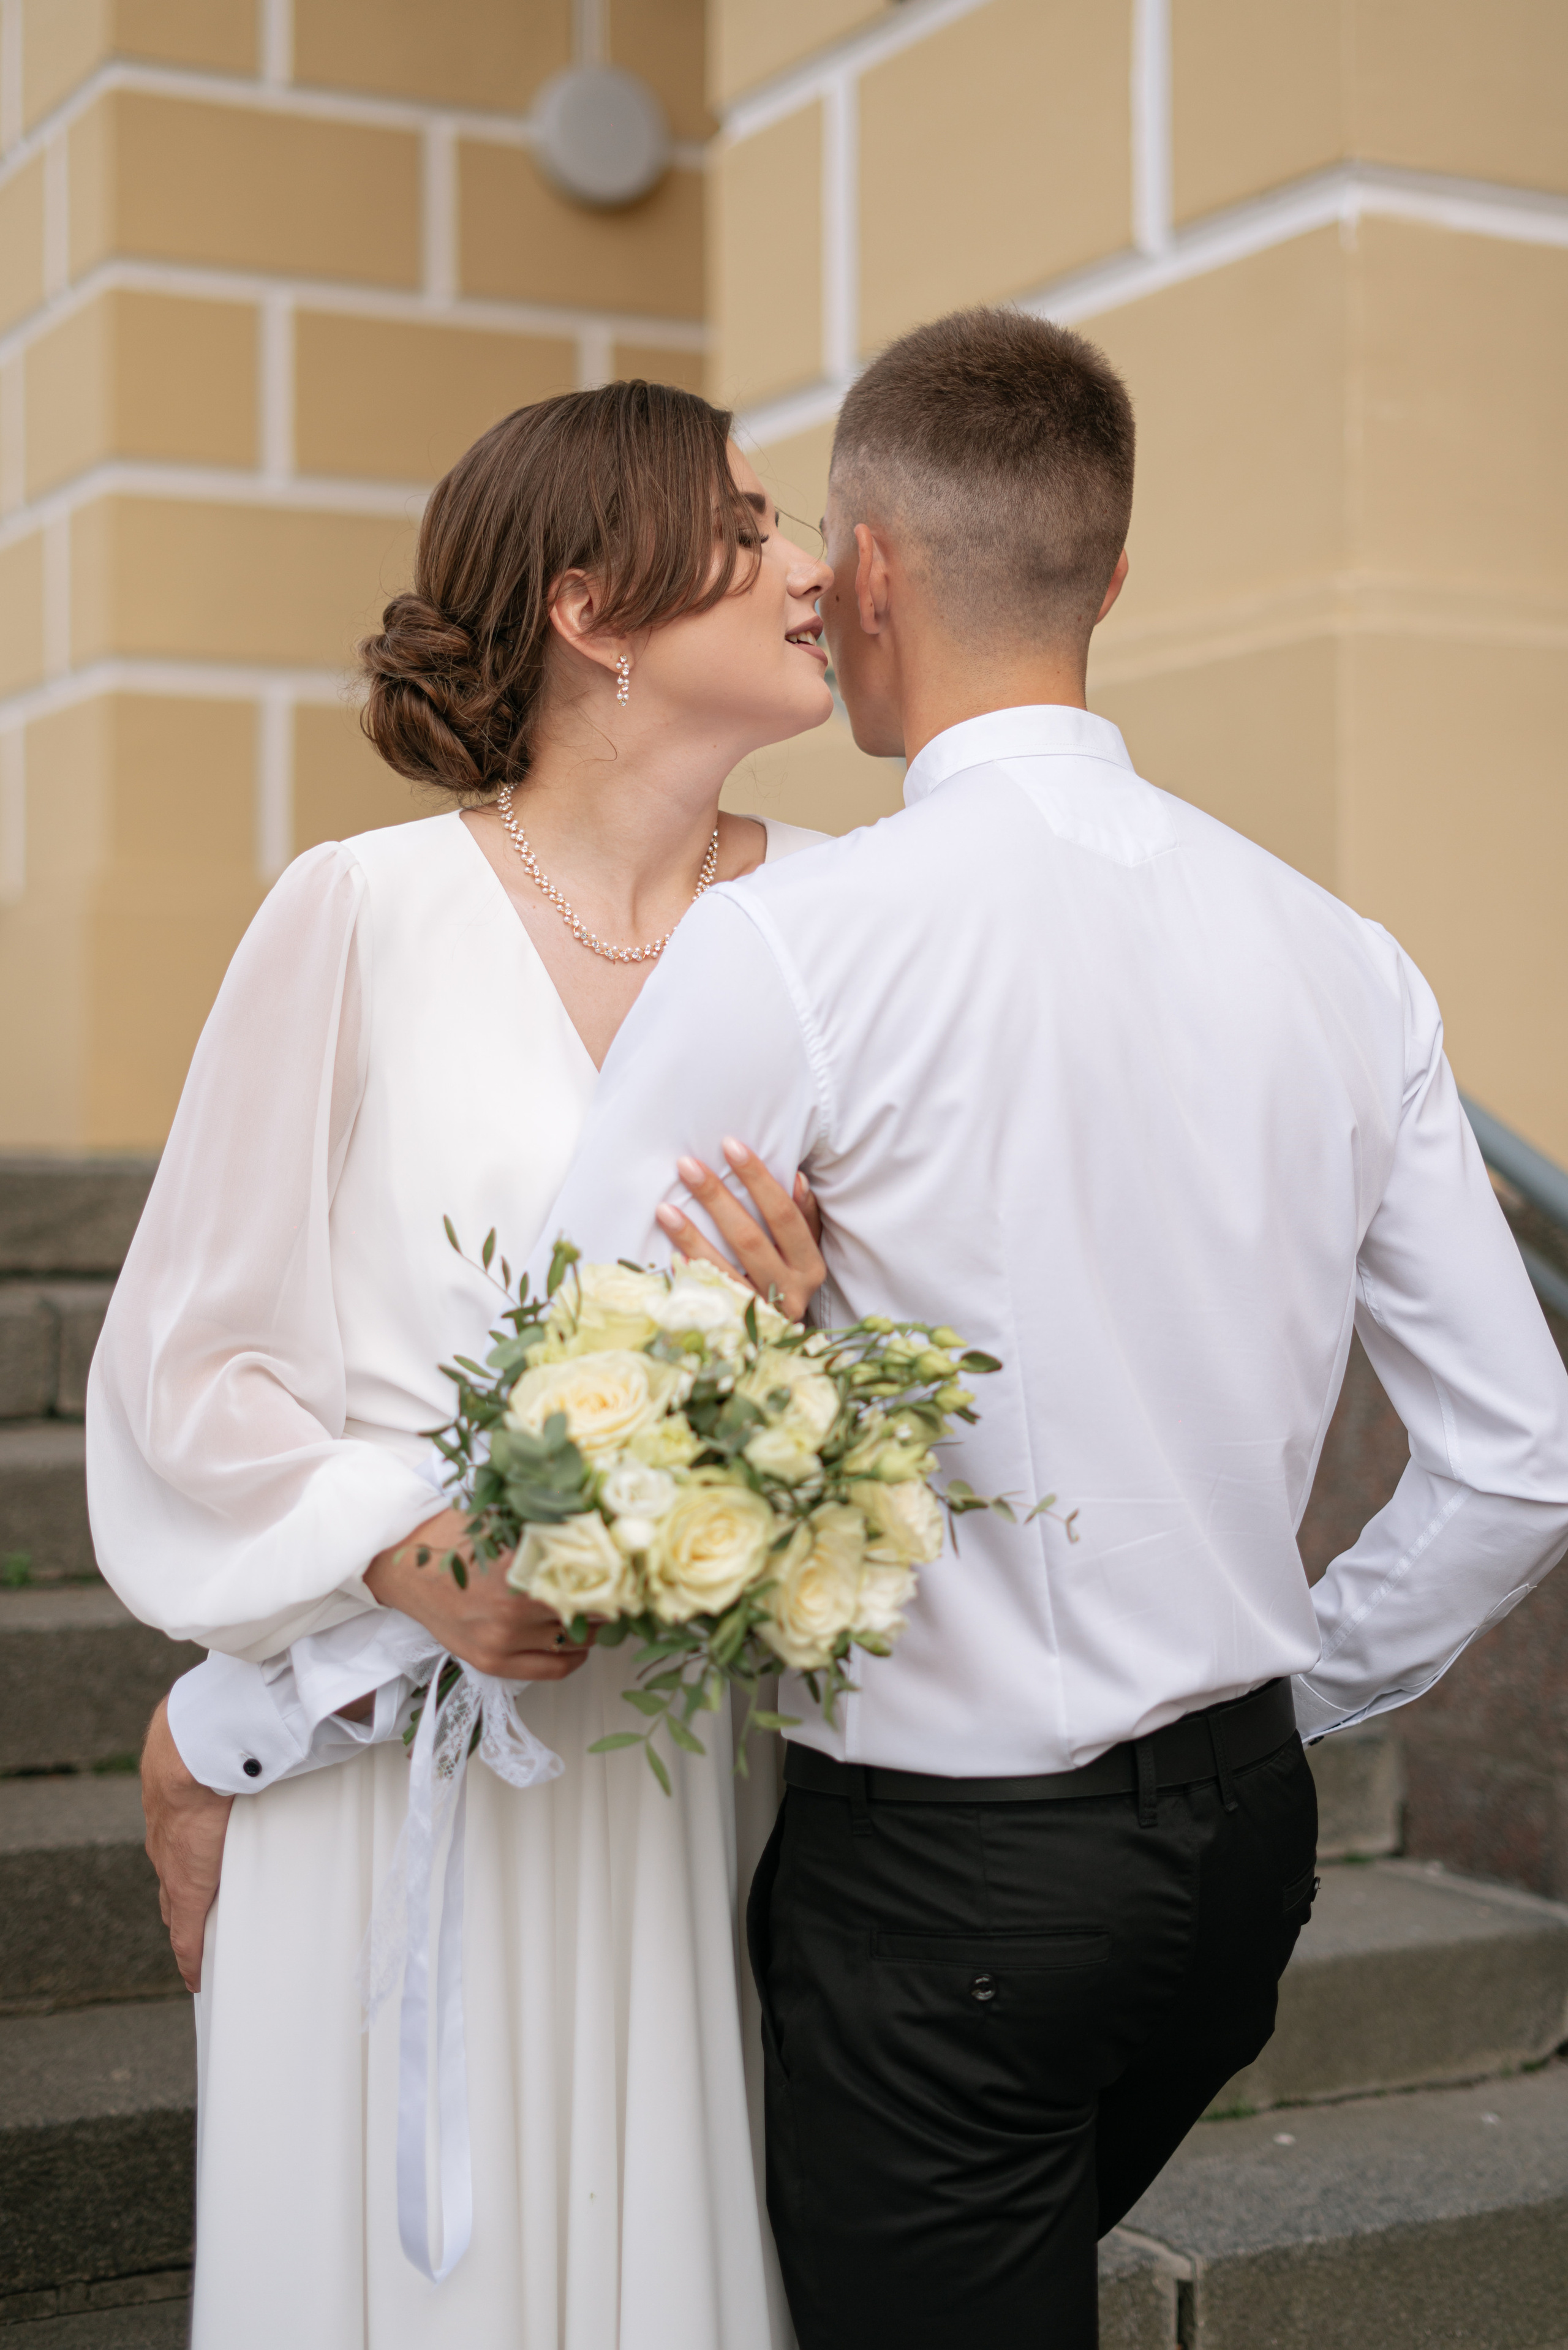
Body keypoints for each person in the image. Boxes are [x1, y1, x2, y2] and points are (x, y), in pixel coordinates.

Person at [505, 309, 1568, 2349]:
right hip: (1242, 1867)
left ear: (870, 574)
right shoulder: (1347, 958)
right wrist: (1289, 1691)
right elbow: (1520, 1461)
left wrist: (762, 1347)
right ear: (1115, 576)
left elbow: (571, 1416)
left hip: (954, 1894)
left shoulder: (796, 944)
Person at [89, 381, 839, 2350]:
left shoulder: (843, 918)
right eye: (749, 528)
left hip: (676, 1764)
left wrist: (803, 1352)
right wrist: (422, 1556)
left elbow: (947, 1334)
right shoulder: (363, 911)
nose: (812, 567)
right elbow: (194, 1356)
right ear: (594, 610)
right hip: (387, 1748)